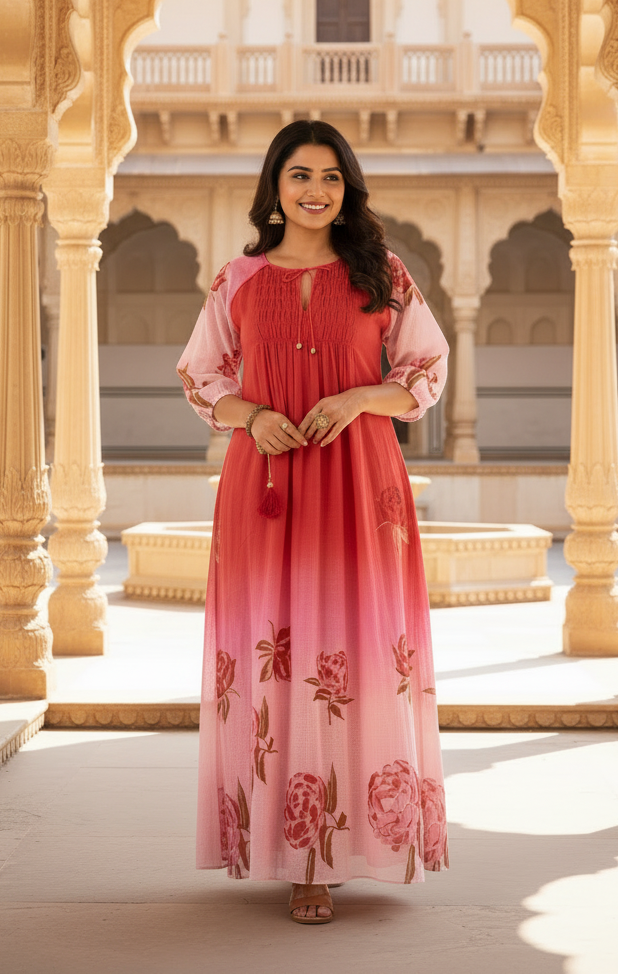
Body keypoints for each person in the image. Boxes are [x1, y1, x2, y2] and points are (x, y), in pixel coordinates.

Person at [178, 120, 450, 924]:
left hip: (359, 478)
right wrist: (253, 415)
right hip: (264, 481)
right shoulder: (237, 279)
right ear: (275, 185)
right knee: (278, 653)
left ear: (347, 189)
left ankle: (340, 848)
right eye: (301, 175)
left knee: (353, 654)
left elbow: (427, 369)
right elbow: (200, 375)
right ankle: (297, 856)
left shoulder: (383, 274)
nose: (316, 191)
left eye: (331, 178)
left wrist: (361, 396)